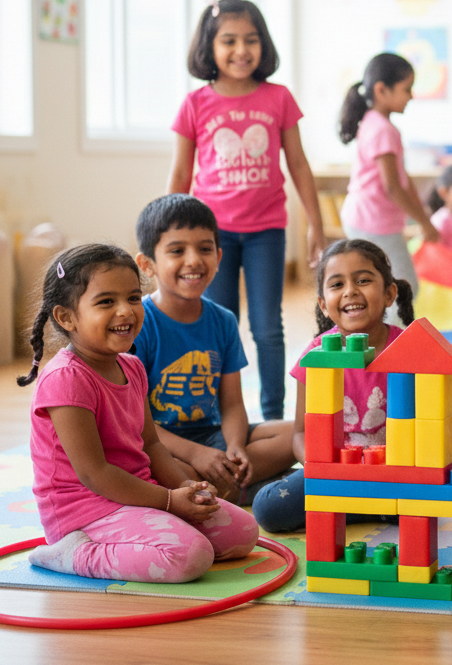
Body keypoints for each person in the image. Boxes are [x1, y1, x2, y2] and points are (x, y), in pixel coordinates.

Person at [21, 244, 258, 583]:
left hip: (138, 493)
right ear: (66, 317)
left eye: (133, 298)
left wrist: (184, 487)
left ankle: (155, 532)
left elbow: (151, 445)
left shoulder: (132, 366)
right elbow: (95, 474)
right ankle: (73, 553)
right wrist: (168, 502)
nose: (126, 311)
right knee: (190, 555)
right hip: (84, 510)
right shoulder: (66, 379)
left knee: (244, 532)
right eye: (106, 302)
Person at [167, 0, 326, 421]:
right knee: (220, 325)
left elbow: (298, 164)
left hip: (266, 232)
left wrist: (316, 224)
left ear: (264, 44)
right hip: (209, 238)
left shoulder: (278, 98)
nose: (242, 50)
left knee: (267, 328)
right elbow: (182, 170)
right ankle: (219, 417)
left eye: (251, 40)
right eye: (230, 40)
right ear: (209, 47)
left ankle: (274, 417)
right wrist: (165, 232)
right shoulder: (196, 104)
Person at [133, 194, 295, 504]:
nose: (194, 260)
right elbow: (136, 424)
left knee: (301, 434)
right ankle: (246, 489)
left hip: (213, 435)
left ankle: (222, 488)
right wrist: (196, 454)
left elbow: (232, 404)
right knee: (147, 465)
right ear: (147, 264)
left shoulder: (223, 320)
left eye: (205, 249)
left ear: (219, 258)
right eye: (177, 250)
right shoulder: (139, 323)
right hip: (158, 443)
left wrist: (235, 447)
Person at [252, 239, 415, 532]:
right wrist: (320, 470)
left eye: (363, 280)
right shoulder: (314, 358)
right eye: (337, 284)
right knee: (268, 509)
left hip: (393, 474)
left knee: (420, 507)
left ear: (390, 293)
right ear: (323, 304)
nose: (350, 291)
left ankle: (353, 507)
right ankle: (362, 507)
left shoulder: (408, 351)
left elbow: (425, 431)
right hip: (335, 475)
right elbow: (301, 433)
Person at [338, 53, 439, 297]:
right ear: (382, 90)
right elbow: (393, 187)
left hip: (366, 218)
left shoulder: (375, 123)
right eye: (407, 89)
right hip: (371, 222)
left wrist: (423, 214)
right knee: (403, 289)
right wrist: (425, 223)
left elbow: (402, 177)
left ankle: (381, 333)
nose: (412, 96)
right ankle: (393, 336)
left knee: (386, 287)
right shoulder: (383, 129)